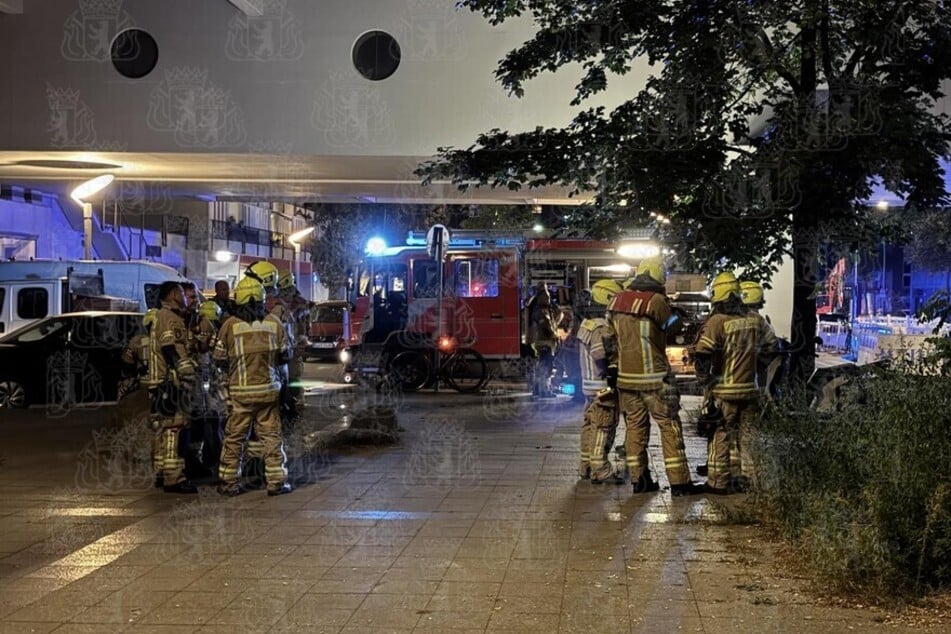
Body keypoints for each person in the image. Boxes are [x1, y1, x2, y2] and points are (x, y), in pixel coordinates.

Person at [605, 256, 702, 495]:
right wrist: (677, 314)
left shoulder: (616, 300)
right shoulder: (657, 301)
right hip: (656, 379)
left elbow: (609, 339)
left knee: (635, 428)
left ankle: (640, 481)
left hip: (626, 379)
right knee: (669, 426)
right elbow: (672, 327)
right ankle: (680, 483)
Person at [694, 272, 777, 494]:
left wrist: (706, 381)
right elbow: (771, 348)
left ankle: (718, 482)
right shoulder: (755, 320)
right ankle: (748, 479)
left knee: (720, 435)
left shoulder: (717, 321)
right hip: (749, 390)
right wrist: (755, 365)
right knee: (748, 437)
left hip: (724, 391)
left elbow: (703, 353)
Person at [214, 276, 293, 497]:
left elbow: (219, 358)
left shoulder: (229, 325)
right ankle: (276, 482)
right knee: (271, 436)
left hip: (240, 393)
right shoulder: (274, 323)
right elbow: (286, 355)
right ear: (260, 298)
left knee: (235, 438)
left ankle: (229, 483)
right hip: (269, 390)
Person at [152, 281, 199, 494]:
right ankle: (174, 479)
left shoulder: (166, 315)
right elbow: (170, 348)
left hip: (162, 381)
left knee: (163, 428)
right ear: (172, 294)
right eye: (181, 293)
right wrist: (184, 371)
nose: (185, 297)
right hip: (171, 381)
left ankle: (162, 473)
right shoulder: (168, 317)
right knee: (174, 429)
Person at [121, 309, 165, 488]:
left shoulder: (137, 341)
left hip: (143, 386)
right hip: (161, 387)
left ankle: (145, 454)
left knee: (147, 423)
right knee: (161, 425)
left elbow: (126, 363)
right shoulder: (164, 339)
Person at [525, 282, 558, 399]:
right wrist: (555, 336)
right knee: (546, 367)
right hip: (544, 342)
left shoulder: (537, 308)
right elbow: (546, 327)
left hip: (540, 342)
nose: (548, 298)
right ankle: (544, 390)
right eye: (547, 296)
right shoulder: (541, 311)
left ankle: (540, 390)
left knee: (541, 367)